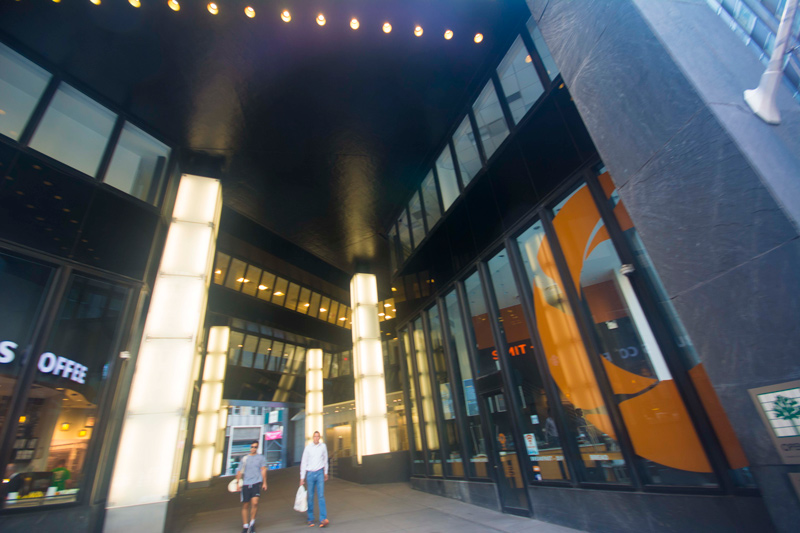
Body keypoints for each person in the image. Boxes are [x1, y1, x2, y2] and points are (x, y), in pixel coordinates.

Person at [235, 441, 267, 533]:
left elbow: (263, 469)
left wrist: (264, 482)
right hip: (246, 483)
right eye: (252, 447)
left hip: (256, 483)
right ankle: (245, 526)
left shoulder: (261, 458)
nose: (253, 448)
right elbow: (239, 471)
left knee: (255, 503)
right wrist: (238, 483)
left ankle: (252, 523)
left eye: (255, 447)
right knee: (245, 504)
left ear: (257, 448)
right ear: (250, 447)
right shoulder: (245, 459)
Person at [300, 431, 329, 528]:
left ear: (319, 437)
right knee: (311, 496)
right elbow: (304, 462)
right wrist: (302, 477)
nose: (316, 438)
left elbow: (325, 460)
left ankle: (323, 518)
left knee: (321, 496)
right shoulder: (308, 448)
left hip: (320, 472)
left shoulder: (323, 446)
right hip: (310, 474)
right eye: (315, 436)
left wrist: (326, 472)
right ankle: (310, 518)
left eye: (318, 437)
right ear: (313, 437)